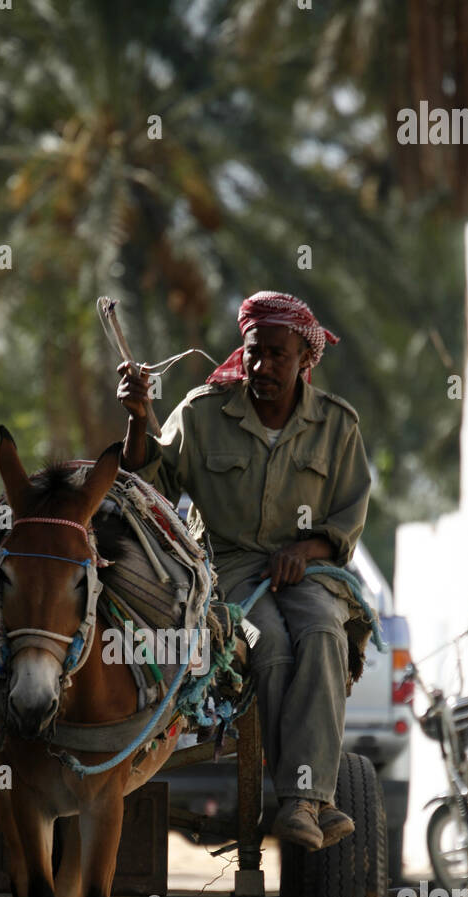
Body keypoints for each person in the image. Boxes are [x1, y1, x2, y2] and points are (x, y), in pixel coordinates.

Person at [116, 290, 371, 851]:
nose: (262, 366)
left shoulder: (336, 425)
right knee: (271, 643)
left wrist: (304, 551)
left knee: (324, 632)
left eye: (278, 355)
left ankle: (306, 800)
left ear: (305, 358)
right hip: (228, 569)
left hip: (312, 568)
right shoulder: (203, 413)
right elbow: (148, 487)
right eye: (255, 352)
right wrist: (139, 419)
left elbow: (347, 519)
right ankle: (303, 802)